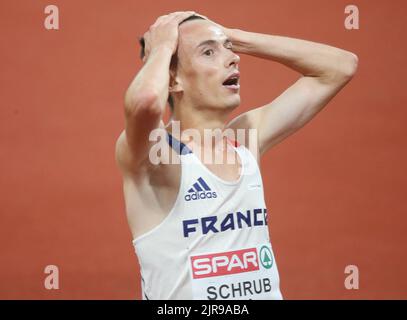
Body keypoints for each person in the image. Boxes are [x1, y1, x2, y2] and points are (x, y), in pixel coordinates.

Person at [115, 11, 358, 300]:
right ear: (173, 80)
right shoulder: (160, 156)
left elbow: (340, 67)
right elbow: (145, 102)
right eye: (208, 53)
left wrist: (232, 38)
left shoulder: (244, 140)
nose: (232, 59)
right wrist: (164, 46)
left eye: (226, 51)